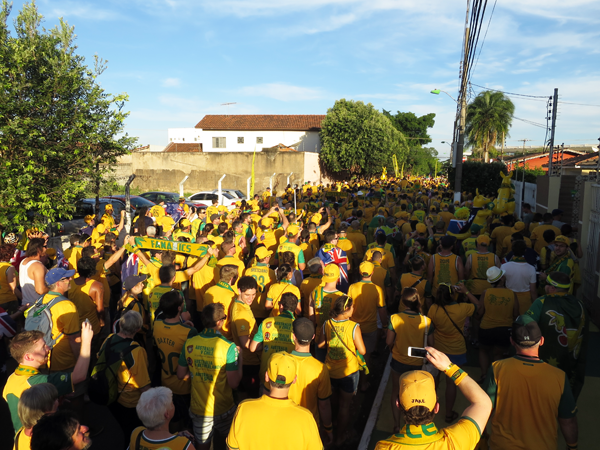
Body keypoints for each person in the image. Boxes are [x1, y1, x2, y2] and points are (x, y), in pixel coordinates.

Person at [484, 315, 578, 450]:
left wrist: (481, 436)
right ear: (541, 341)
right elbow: (568, 421)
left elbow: (485, 408)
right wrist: (572, 446)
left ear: (512, 341)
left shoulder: (497, 368)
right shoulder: (559, 376)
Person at [374, 348, 492, 450]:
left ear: (398, 404)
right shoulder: (454, 442)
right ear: (436, 407)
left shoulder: (384, 447)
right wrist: (449, 367)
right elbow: (483, 403)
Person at [3, 321, 92, 432]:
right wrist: (87, 341)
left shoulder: (12, 378)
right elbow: (79, 376)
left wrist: (51, 401)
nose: (48, 348)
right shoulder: (41, 381)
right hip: (42, 438)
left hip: (22, 438)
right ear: (29, 357)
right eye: (43, 347)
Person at [177, 303, 242, 450]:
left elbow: (181, 374)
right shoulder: (229, 347)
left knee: (202, 446)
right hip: (223, 407)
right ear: (219, 322)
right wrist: (241, 359)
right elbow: (234, 383)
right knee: (226, 444)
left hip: (199, 408)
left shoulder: (190, 343)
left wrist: (197, 371)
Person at [226, 352, 322, 450]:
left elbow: (232, 448)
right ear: (294, 379)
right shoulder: (306, 418)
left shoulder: (243, 409)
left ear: (266, 376)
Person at [526, 271, 589, 400]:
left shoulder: (542, 302)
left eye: (546, 284)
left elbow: (526, 325)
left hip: (547, 359)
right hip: (572, 360)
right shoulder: (580, 305)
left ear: (552, 288)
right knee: (564, 397)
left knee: (544, 396)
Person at [318, 295, 366, 446]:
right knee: (345, 406)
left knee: (332, 402)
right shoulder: (354, 327)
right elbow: (363, 351)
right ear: (346, 310)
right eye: (352, 307)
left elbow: (320, 345)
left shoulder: (327, 323)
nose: (354, 309)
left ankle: (330, 431)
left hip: (330, 371)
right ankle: (340, 438)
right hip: (348, 372)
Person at [98, 310, 151, 446]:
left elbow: (100, 358)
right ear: (138, 329)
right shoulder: (137, 350)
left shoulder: (109, 339)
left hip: (110, 394)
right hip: (130, 401)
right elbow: (144, 386)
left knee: (123, 427)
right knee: (133, 434)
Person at [278, 318, 333, 444]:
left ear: (293, 337)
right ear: (313, 337)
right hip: (309, 425)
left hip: (283, 423)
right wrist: (328, 428)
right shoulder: (320, 368)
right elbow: (324, 405)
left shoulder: (280, 361)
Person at [459, 267, 518, 382]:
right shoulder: (512, 293)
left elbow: (480, 312)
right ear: (501, 279)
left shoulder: (486, 293)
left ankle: (484, 375)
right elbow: (516, 314)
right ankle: (495, 378)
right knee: (498, 354)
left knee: (483, 351)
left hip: (486, 328)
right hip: (504, 330)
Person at [427, 283, 475, 423]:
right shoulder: (462, 308)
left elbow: (430, 326)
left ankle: (430, 410)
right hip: (456, 351)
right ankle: (448, 414)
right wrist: (465, 292)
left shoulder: (434, 309)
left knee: (433, 381)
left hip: (438, 349)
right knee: (451, 384)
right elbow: (479, 306)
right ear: (452, 295)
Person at [386, 287, 432, 433]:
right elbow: (431, 344)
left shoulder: (394, 318)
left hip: (398, 361)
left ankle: (396, 424)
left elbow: (388, 341)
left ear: (403, 301)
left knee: (396, 392)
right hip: (418, 364)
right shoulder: (426, 321)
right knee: (416, 394)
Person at [153, 290, 198, 428]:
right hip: (184, 385)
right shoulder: (189, 332)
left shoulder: (157, 325)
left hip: (165, 380)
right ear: (179, 308)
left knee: (171, 420)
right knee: (187, 422)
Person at [348, 261, 387, 391]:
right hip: (370, 328)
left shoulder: (352, 287)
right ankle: (364, 384)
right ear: (372, 273)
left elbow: (348, 307)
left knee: (353, 355)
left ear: (360, 272)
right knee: (367, 356)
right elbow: (381, 310)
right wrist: (385, 326)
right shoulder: (377, 289)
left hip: (354, 328)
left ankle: (353, 384)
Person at [250, 293, 297, 383]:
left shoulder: (267, 322)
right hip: (288, 376)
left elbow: (253, 348)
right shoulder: (297, 326)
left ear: (281, 305)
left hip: (267, 375)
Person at [130, 386, 196, 450]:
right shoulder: (184, 444)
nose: (173, 404)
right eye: (172, 403)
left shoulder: (137, 433)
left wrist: (176, 436)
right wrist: (178, 439)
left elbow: (158, 443)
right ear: (167, 414)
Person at [229, 276, 261, 399]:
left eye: (254, 294)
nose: (251, 298)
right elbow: (245, 343)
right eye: (247, 295)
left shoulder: (240, 305)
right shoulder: (241, 312)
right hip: (250, 362)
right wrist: (265, 345)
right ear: (239, 291)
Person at [14, 383, 59, 450]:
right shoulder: (48, 441)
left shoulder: (20, 434)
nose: (58, 402)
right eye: (54, 401)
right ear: (46, 412)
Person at [501, 240, 537, 314]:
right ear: (525, 250)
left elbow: (501, 284)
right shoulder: (531, 268)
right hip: (525, 300)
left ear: (512, 250)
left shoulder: (504, 266)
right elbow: (533, 290)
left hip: (509, 298)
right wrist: (536, 304)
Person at [203, 264, 239, 340]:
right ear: (232, 278)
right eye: (237, 276)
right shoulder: (233, 296)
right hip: (226, 337)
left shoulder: (208, 291)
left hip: (208, 334)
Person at [428, 236, 464, 300]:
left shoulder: (433, 258)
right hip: (452, 294)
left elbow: (430, 277)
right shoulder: (457, 259)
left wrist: (428, 292)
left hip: (437, 293)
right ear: (451, 247)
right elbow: (461, 279)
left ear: (441, 245)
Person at [19, 238, 48, 305]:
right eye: (45, 246)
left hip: (26, 304)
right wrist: (53, 289)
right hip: (38, 306)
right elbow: (40, 290)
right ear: (38, 249)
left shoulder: (24, 261)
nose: (47, 249)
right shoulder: (37, 265)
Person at [0, 243, 21, 314]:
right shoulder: (9, 268)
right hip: (9, 301)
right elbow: (13, 288)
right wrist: (23, 299)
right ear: (8, 254)